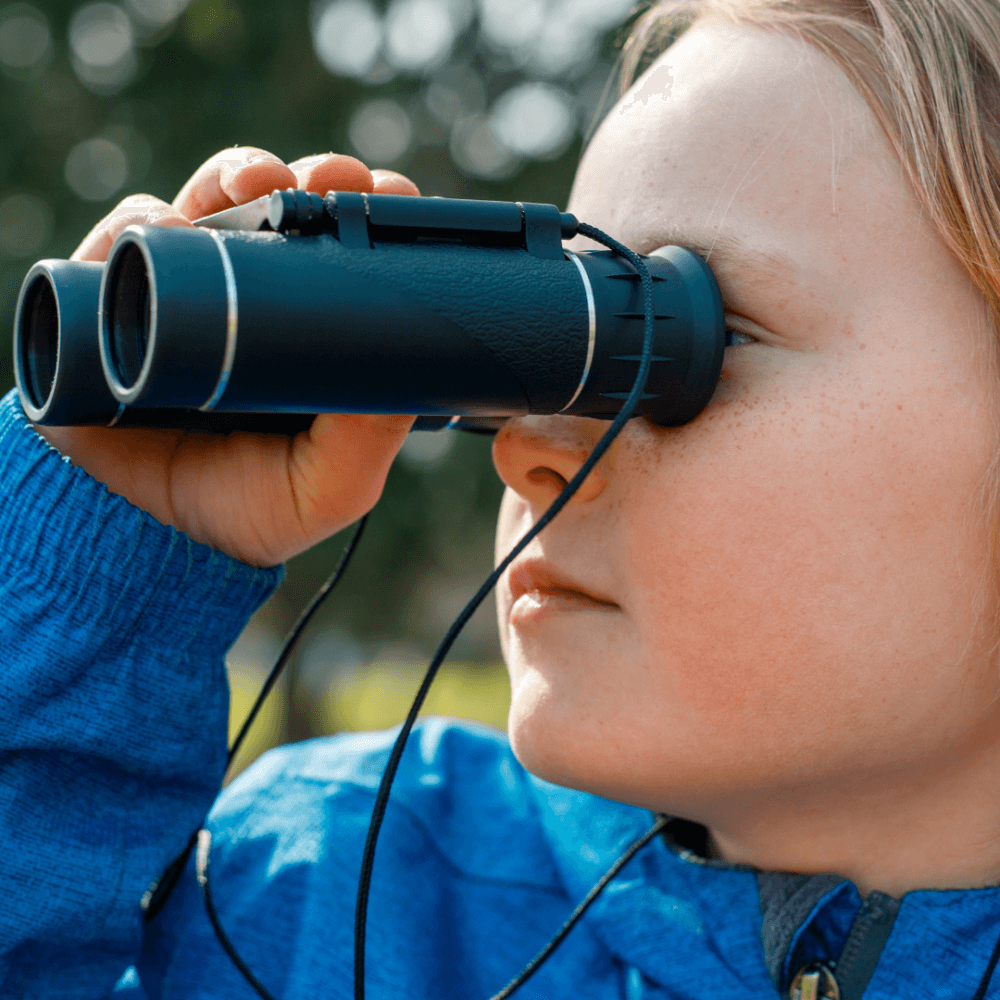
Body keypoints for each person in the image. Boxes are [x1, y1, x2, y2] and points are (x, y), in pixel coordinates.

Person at [4, 0, 1000, 996]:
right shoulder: (317, 893)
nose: (531, 447)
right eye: (565, 330)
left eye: (701, 336)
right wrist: (90, 585)